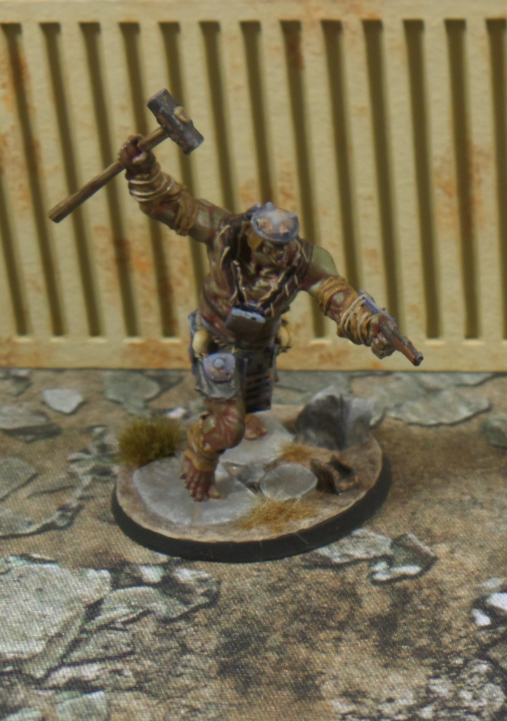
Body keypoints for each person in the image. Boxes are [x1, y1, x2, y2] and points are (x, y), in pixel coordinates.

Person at [117, 136, 418, 501]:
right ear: (253, 238)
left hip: (262, 343)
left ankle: (241, 414)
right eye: (274, 249)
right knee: (228, 428)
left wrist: (371, 327)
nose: (283, 256)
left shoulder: (304, 259)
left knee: (254, 399)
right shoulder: (224, 233)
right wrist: (144, 170)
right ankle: (201, 452)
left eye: (287, 246)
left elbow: (339, 298)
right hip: (217, 341)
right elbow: (172, 206)